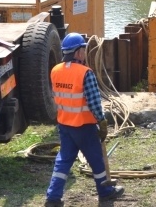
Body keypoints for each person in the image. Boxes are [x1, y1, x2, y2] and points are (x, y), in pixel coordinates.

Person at [45, 33, 124, 206]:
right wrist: (102, 122)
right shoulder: (85, 73)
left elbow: (57, 96)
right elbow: (94, 102)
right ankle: (105, 192)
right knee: (96, 159)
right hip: (84, 126)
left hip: (65, 124)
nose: (84, 52)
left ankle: (53, 197)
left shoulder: (55, 71)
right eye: (83, 49)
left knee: (63, 160)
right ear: (78, 52)